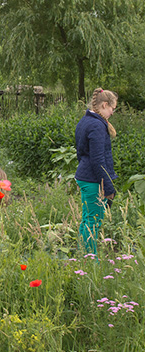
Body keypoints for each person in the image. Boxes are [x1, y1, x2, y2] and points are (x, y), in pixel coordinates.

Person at [75, 88, 118, 255]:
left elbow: (81, 153)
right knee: (93, 222)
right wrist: (108, 188)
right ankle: (90, 259)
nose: (112, 113)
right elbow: (98, 160)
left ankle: (83, 256)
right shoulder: (97, 126)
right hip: (94, 181)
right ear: (105, 105)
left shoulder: (85, 121)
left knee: (87, 219)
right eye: (112, 109)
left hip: (85, 177)